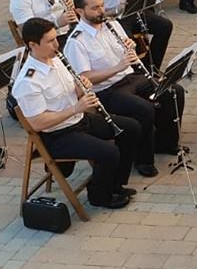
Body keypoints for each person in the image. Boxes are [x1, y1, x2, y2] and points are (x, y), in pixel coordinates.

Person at [13, 18, 142, 210]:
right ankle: (100, 196)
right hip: (57, 135)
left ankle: (115, 184)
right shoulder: (28, 82)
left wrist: (82, 88)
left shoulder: (56, 60)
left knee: (131, 128)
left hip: (79, 119)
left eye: (56, 38)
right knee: (109, 152)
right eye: (50, 41)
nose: (57, 45)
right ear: (33, 45)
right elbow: (38, 123)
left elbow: (70, 92)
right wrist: (76, 108)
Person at [63, 0, 162, 177]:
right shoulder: (76, 42)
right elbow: (85, 79)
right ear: (79, 12)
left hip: (130, 78)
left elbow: (126, 47)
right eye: (95, 8)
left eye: (102, 5)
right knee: (144, 108)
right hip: (106, 91)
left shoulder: (112, 25)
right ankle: (143, 160)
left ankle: (165, 142)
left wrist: (131, 45)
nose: (101, 11)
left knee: (170, 90)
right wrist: (117, 67)